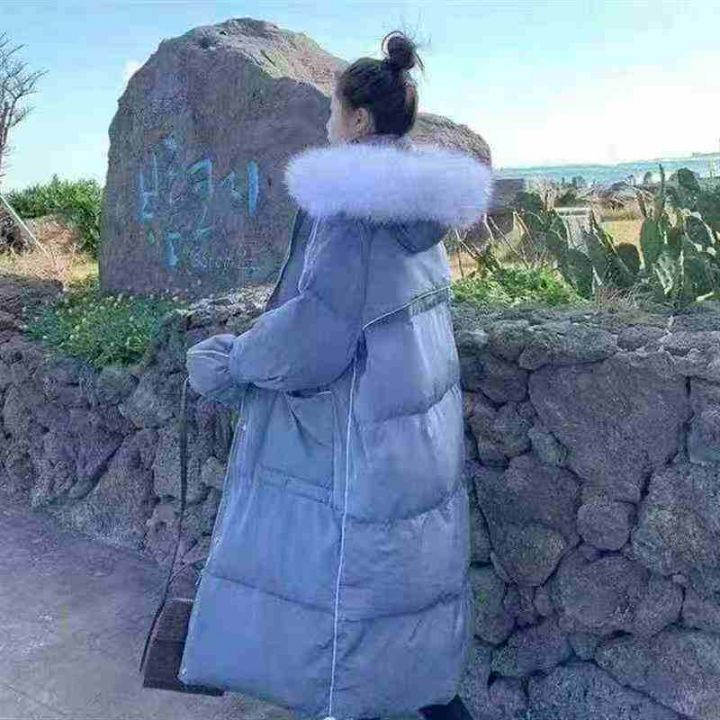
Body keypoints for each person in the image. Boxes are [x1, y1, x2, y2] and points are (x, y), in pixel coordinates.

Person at [178, 30, 492, 720]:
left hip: (357, 437)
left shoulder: (351, 211)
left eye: (333, 109)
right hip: (416, 436)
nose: (327, 121)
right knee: (404, 598)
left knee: (351, 609)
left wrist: (230, 361)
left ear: (358, 120)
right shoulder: (420, 214)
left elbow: (314, 335)